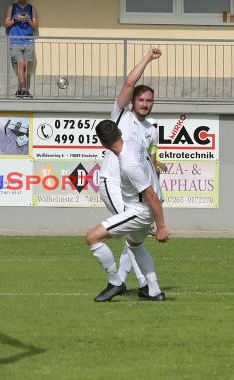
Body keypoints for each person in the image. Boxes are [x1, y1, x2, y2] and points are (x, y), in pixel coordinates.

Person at [99, 48, 165, 295]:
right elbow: (129, 82)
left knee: (135, 236)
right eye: (141, 100)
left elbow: (147, 156)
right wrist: (147, 58)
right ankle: (145, 285)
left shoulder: (150, 129)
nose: (145, 104)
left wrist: (156, 163)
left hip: (131, 190)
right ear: (132, 101)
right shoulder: (120, 115)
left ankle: (131, 283)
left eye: (149, 101)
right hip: (112, 182)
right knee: (134, 233)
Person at [88, 119, 169, 302]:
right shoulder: (135, 144)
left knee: (93, 237)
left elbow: (150, 196)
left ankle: (115, 282)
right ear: (120, 133)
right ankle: (154, 291)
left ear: (102, 143)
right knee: (135, 244)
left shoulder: (128, 164)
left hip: (140, 210)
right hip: (144, 207)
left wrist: (161, 226)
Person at [4, 0, 38, 98]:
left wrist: (28, 20)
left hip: (28, 41)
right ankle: (24, 90)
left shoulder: (32, 8)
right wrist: (15, 19)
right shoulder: (12, 7)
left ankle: (20, 90)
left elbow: (35, 26)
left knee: (26, 67)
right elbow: (6, 24)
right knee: (21, 65)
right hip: (16, 41)